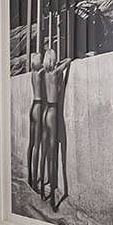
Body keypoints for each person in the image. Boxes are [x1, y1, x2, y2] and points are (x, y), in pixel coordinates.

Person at [40, 44, 73, 210]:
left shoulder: (45, 73)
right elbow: (69, 60)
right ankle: (53, 198)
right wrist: (60, 61)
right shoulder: (56, 72)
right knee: (57, 155)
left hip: (45, 112)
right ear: (53, 59)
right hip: (54, 114)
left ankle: (44, 192)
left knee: (47, 153)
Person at [25, 51, 45, 196]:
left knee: (31, 144)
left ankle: (29, 176)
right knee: (37, 145)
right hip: (39, 108)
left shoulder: (33, 73)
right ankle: (35, 183)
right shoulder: (40, 73)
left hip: (32, 107)